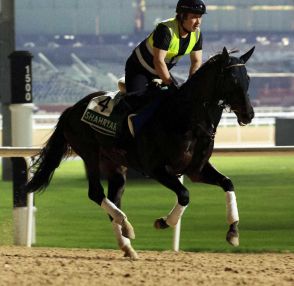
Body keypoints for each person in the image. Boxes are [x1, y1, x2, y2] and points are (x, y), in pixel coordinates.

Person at [125, 0, 206, 136]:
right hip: (139, 70)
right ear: (181, 16)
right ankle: (125, 136)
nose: (198, 22)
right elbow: (158, 61)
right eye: (193, 17)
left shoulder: (197, 34)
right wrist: (169, 83)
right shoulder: (165, 29)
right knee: (137, 103)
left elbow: (196, 61)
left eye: (200, 17)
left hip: (160, 72)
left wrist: (192, 82)